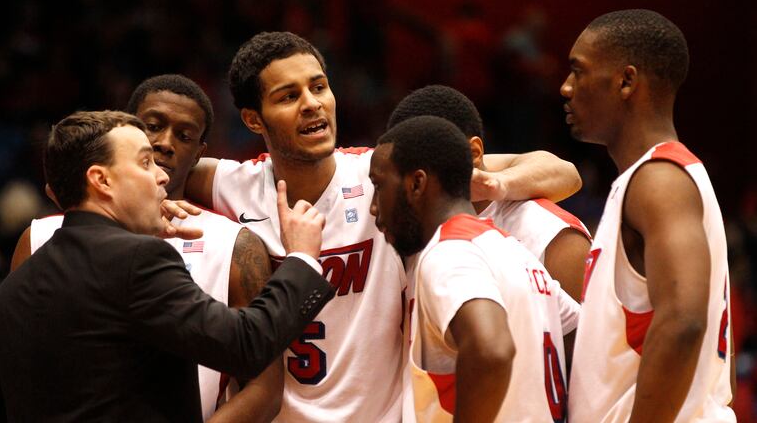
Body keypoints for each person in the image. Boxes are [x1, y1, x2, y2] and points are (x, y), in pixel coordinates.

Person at [181, 31, 582, 422]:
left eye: (319, 87)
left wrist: (495, 183)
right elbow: (156, 162)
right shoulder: (229, 185)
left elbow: (562, 171)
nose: (311, 104)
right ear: (253, 119)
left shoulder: (383, 175)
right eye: (289, 96)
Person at [0, 110, 335, 422]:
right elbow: (246, 344)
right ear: (101, 180)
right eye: (145, 162)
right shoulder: (138, 261)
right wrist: (301, 259)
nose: (162, 176)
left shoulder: (14, 288)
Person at [561, 9, 734, 421]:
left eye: (578, 72)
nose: (566, 88)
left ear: (626, 81)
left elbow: (684, 321)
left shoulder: (659, 180)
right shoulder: (653, 178)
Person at [369, 115, 578, 421]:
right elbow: (584, 336)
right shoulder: (512, 250)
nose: (373, 206)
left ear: (417, 183)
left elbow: (491, 351)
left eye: (379, 186)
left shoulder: (448, 253)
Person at [387, 84, 591, 302]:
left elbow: (595, 334)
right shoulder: (410, 233)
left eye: (420, 170)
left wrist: (496, 184)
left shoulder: (550, 234)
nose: (413, 184)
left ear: (474, 153)